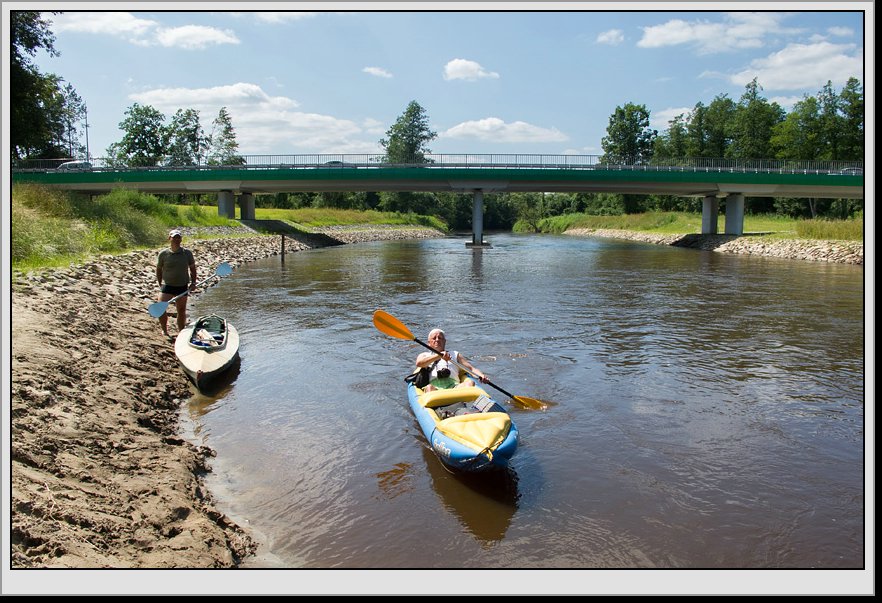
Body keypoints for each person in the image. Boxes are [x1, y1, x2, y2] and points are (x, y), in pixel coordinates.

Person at [416, 328, 490, 391]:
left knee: (470, 383)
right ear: (429, 343)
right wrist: (439, 356)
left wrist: (482, 376)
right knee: (429, 388)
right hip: (434, 387)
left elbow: (471, 368)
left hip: (454, 387)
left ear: (445, 341)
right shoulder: (424, 355)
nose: (437, 340)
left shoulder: (455, 354)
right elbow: (419, 363)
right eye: (434, 338)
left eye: (440, 338)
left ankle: (468, 405)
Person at [156, 229, 197, 338]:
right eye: (174, 237)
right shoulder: (163, 254)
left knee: (181, 310)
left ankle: (181, 332)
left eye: (178, 237)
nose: (177, 239)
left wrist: (193, 283)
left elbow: (192, 269)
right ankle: (164, 331)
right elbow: (159, 269)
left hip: (182, 286)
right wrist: (160, 283)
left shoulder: (187, 253)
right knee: (160, 307)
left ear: (181, 239)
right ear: (169, 238)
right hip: (167, 286)